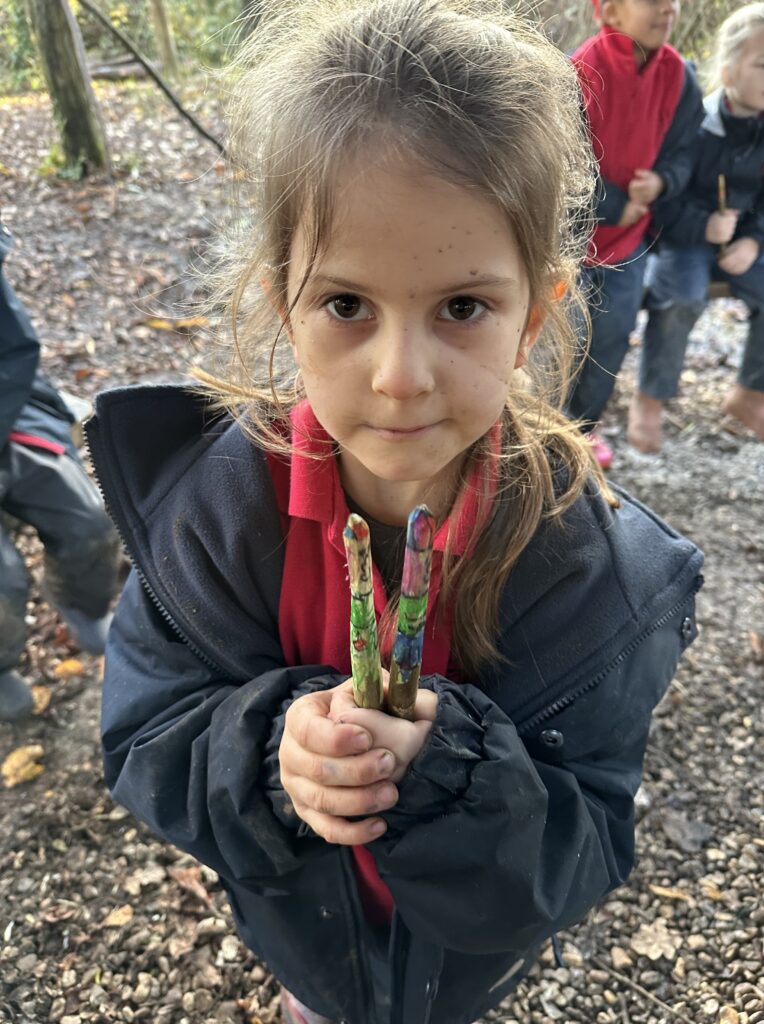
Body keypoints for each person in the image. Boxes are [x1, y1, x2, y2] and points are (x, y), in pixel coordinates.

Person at [86, 3, 704, 1023]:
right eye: (346, 306)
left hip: (461, 965)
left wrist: (451, 770)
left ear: (533, 314)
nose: (402, 377)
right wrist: (273, 752)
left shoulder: (595, 571)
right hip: (308, 941)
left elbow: (582, 846)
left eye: (463, 307)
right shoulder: (216, 518)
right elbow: (148, 736)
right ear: (284, 300)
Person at [566, 0, 703, 467]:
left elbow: (685, 153)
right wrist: (616, 204)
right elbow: (563, 166)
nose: (669, 9)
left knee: (615, 331)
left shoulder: (680, 77)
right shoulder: (579, 71)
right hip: (570, 243)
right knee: (568, 332)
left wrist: (662, 181)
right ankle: (547, 429)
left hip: (630, 242)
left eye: (675, 1)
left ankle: (582, 429)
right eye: (652, 0)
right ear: (608, 10)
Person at [628, 2, 764, 452]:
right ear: (727, 73)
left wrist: (753, 238)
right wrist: (702, 226)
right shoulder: (695, 126)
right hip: (683, 240)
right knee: (680, 297)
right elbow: (663, 203)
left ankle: (749, 394)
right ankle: (650, 398)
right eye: (763, 65)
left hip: (739, 242)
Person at [0, 220, 121, 722]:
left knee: (88, 519)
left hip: (7, 413)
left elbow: (14, 349)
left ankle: (82, 605)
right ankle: (2, 663)